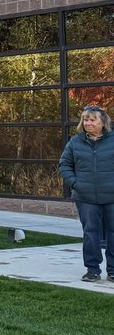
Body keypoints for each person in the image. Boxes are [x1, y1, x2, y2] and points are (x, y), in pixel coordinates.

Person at [58, 105, 114, 282]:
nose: (88, 123)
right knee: (91, 234)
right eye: (85, 120)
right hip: (85, 197)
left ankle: (112, 271)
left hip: (112, 196)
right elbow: (64, 165)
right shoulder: (75, 142)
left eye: (92, 119)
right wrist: (76, 183)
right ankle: (92, 270)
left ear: (103, 122)